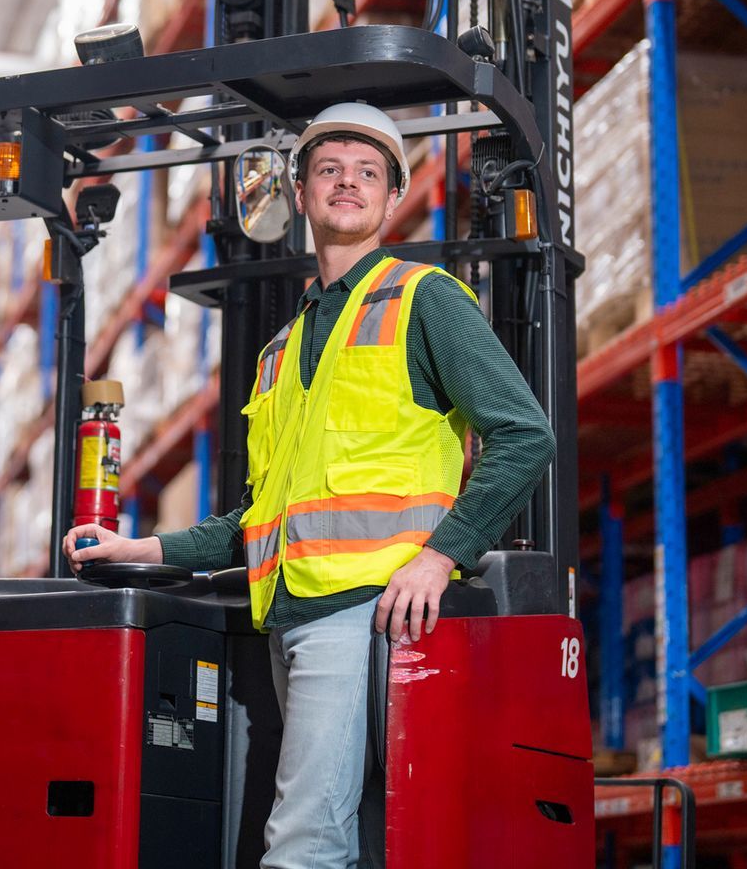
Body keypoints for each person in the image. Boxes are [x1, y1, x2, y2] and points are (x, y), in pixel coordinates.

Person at [62, 101, 555, 869]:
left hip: (369, 609)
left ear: (394, 197)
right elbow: (261, 516)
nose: (347, 182)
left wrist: (442, 554)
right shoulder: (280, 351)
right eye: (329, 169)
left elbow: (525, 435)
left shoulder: (420, 299)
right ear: (299, 194)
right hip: (290, 620)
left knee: (302, 842)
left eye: (367, 172)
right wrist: (143, 545)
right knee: (352, 835)